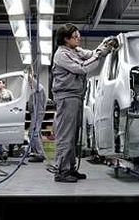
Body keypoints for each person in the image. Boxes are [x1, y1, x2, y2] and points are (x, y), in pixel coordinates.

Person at [51, 23, 113, 183]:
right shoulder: (61, 54)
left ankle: (70, 168)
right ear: (66, 39)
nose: (79, 39)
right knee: (66, 136)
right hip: (66, 97)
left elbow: (91, 54)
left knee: (73, 136)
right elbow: (83, 67)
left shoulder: (75, 50)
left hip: (76, 96)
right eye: (75, 37)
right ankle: (61, 172)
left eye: (79, 36)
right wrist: (100, 53)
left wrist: (104, 45)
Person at [28, 74, 47, 163]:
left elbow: (33, 82)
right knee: (35, 133)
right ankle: (38, 153)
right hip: (34, 114)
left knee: (33, 133)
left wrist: (28, 74)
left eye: (30, 82)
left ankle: (40, 154)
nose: (29, 83)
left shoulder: (39, 87)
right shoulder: (35, 90)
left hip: (37, 113)